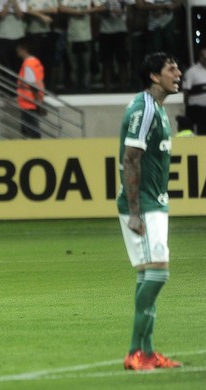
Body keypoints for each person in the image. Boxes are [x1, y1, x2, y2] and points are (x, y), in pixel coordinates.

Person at [117, 52, 183, 370]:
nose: (178, 72)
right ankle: (134, 350)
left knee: (149, 276)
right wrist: (134, 211)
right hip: (143, 205)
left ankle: (147, 352)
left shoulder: (156, 108)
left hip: (154, 201)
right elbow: (130, 158)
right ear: (155, 77)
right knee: (158, 274)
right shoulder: (143, 109)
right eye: (171, 68)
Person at [16, 40, 45, 138]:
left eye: (19, 49)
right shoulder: (35, 62)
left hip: (28, 102)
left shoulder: (28, 64)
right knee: (27, 130)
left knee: (32, 131)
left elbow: (32, 85)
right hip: (32, 101)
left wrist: (39, 104)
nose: (17, 52)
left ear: (24, 50)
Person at [182, 47, 206, 135]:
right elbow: (186, 90)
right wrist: (187, 107)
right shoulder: (192, 72)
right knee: (200, 134)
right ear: (201, 57)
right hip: (197, 109)